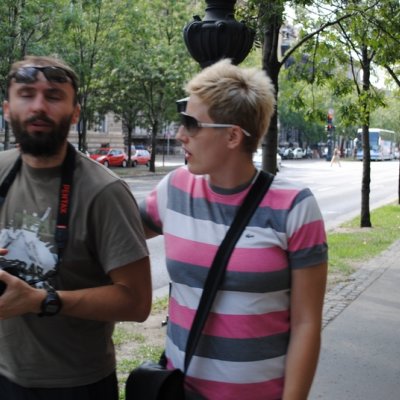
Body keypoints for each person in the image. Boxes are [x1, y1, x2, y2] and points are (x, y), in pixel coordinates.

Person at [140, 59, 328, 400]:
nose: (180, 134)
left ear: (232, 135)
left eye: (191, 124)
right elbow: (113, 233)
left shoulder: (295, 207)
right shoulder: (174, 189)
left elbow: (306, 323)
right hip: (180, 393)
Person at [0, 55, 152, 400]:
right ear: (7, 109)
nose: (39, 106)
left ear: (75, 113)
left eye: (54, 96)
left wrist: (41, 300)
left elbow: (137, 302)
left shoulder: (105, 192)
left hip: (76, 385)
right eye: (26, 94)